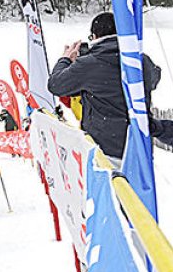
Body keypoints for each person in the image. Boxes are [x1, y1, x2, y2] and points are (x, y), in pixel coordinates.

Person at [48, 11, 162, 163]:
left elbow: (55, 85)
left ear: (95, 36)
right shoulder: (140, 60)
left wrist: (65, 60)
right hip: (139, 147)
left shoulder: (89, 64)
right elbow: (155, 77)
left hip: (104, 152)